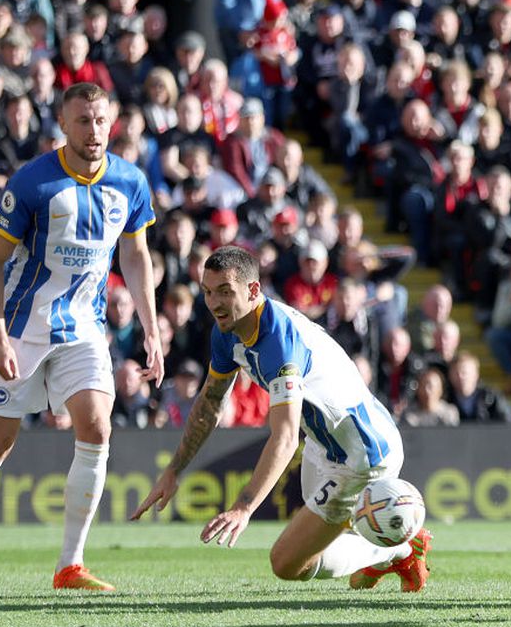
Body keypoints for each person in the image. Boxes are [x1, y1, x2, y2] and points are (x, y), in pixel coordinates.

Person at [0, 83, 163, 593]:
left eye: (101, 120)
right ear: (63, 126)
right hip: (22, 330)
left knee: (97, 428)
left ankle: (70, 565)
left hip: (83, 330)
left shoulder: (130, 182)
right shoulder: (32, 183)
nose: (94, 131)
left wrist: (151, 328)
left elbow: (135, 255)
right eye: (82, 121)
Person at [131, 247, 432, 593]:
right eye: (208, 291)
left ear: (253, 291)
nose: (214, 303)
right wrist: (173, 470)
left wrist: (244, 507)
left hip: (362, 452)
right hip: (326, 445)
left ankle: (401, 546)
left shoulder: (279, 341)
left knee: (287, 563)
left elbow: (285, 438)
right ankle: (390, 552)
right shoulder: (226, 331)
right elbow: (211, 402)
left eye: (226, 291)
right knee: (320, 539)